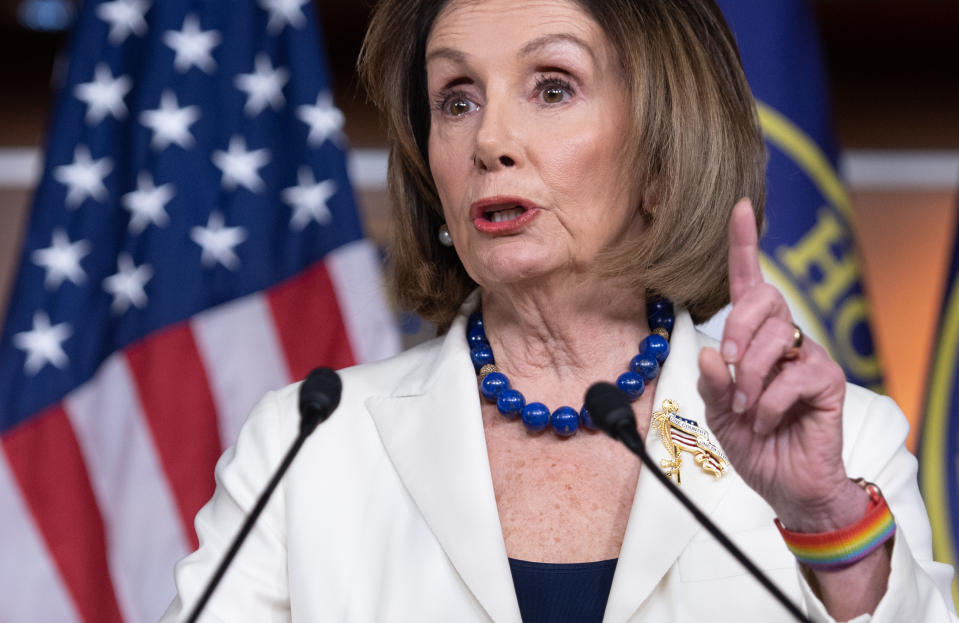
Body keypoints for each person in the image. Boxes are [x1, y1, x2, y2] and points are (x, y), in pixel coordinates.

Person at [161, 0, 958, 621]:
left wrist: (825, 520)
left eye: (551, 87)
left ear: (659, 149)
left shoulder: (844, 443)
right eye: (456, 99)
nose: (489, 139)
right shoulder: (309, 445)